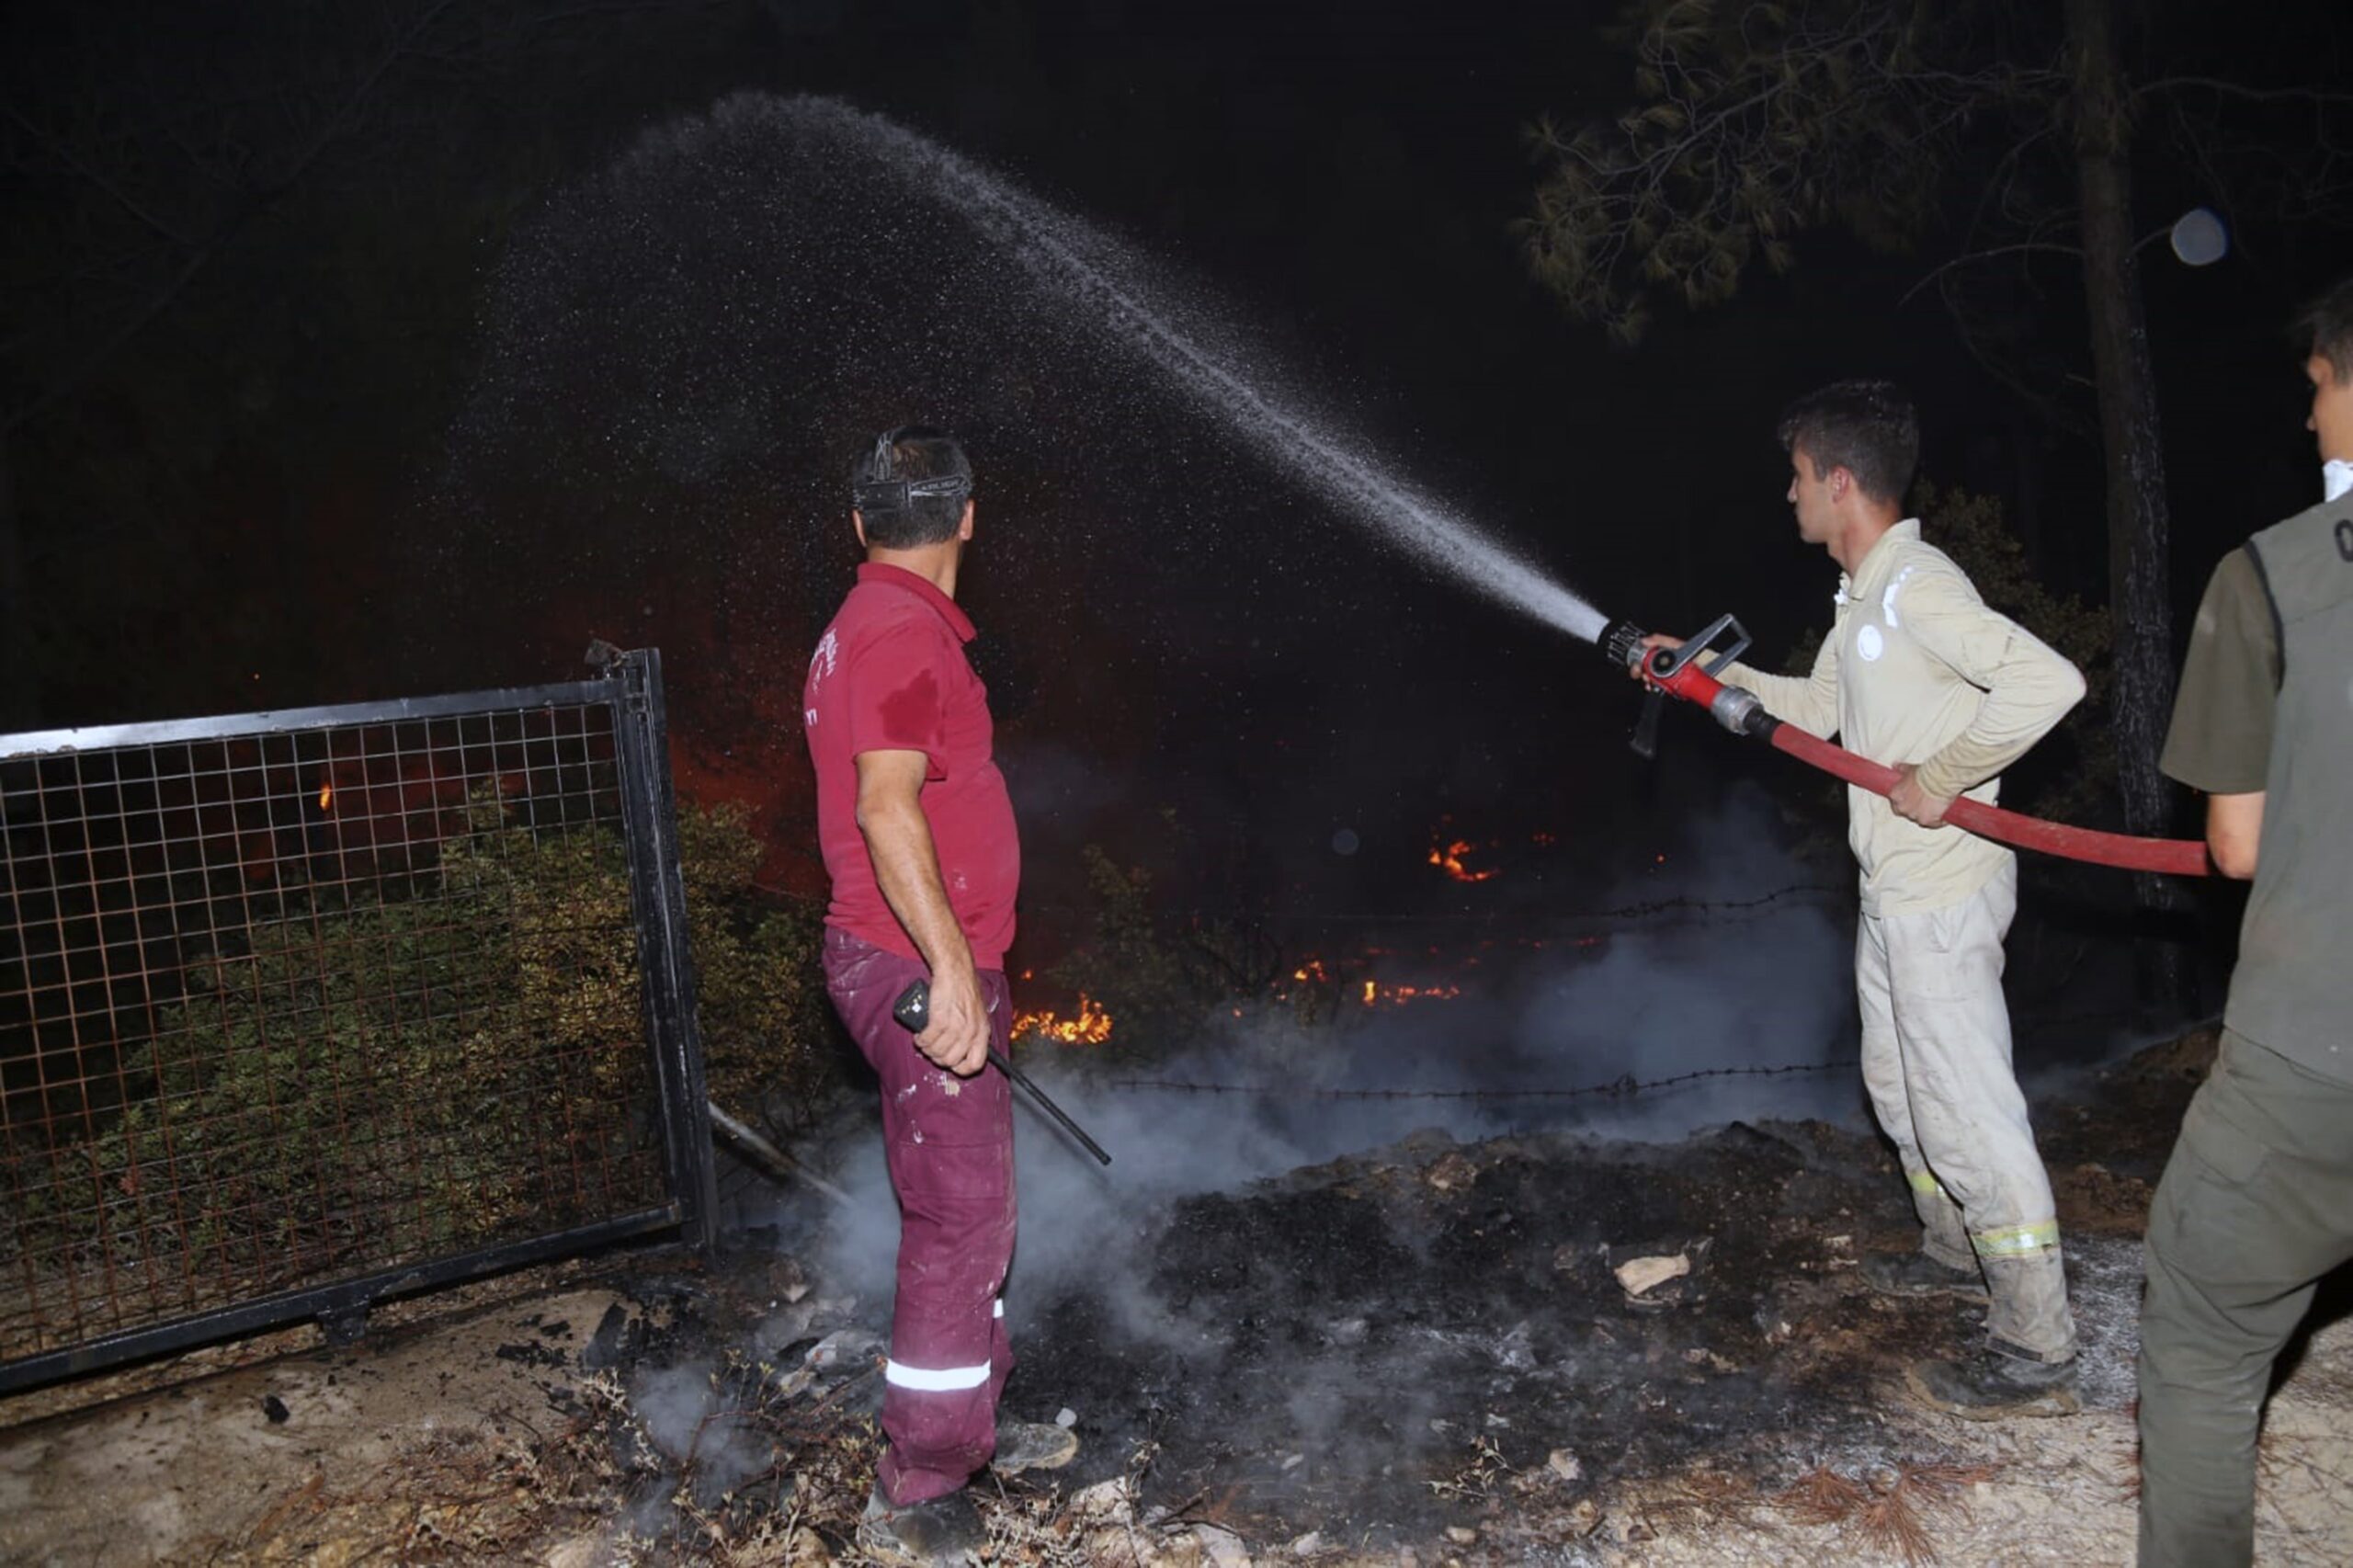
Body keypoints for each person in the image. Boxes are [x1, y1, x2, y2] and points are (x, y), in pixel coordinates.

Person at [1643, 381, 2087, 1415]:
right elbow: (1824, 712)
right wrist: (1704, 678)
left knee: (1967, 1111)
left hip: (1941, 893)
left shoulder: (1916, 587)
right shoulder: (1864, 597)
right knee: (1897, 1090)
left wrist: (1947, 771)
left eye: (1796, 476)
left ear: (1839, 482)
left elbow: (2049, 683)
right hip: (1892, 891)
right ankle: (1949, 1249)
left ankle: (2035, 1343)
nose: (1787, 494)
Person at [802, 426, 1071, 1563]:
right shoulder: (901, 628)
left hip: (921, 954)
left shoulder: (867, 623)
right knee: (960, 1216)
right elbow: (883, 805)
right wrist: (952, 970)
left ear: (860, 524)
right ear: (968, 516)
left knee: (974, 1206)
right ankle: (922, 1483)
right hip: (914, 959)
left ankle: (972, 1424)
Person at [2136, 278, 2353, 1567]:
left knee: (2206, 1329)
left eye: (2320, 382)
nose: (2310, 409)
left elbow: (2236, 842)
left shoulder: (2272, 577)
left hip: (2316, 1060)